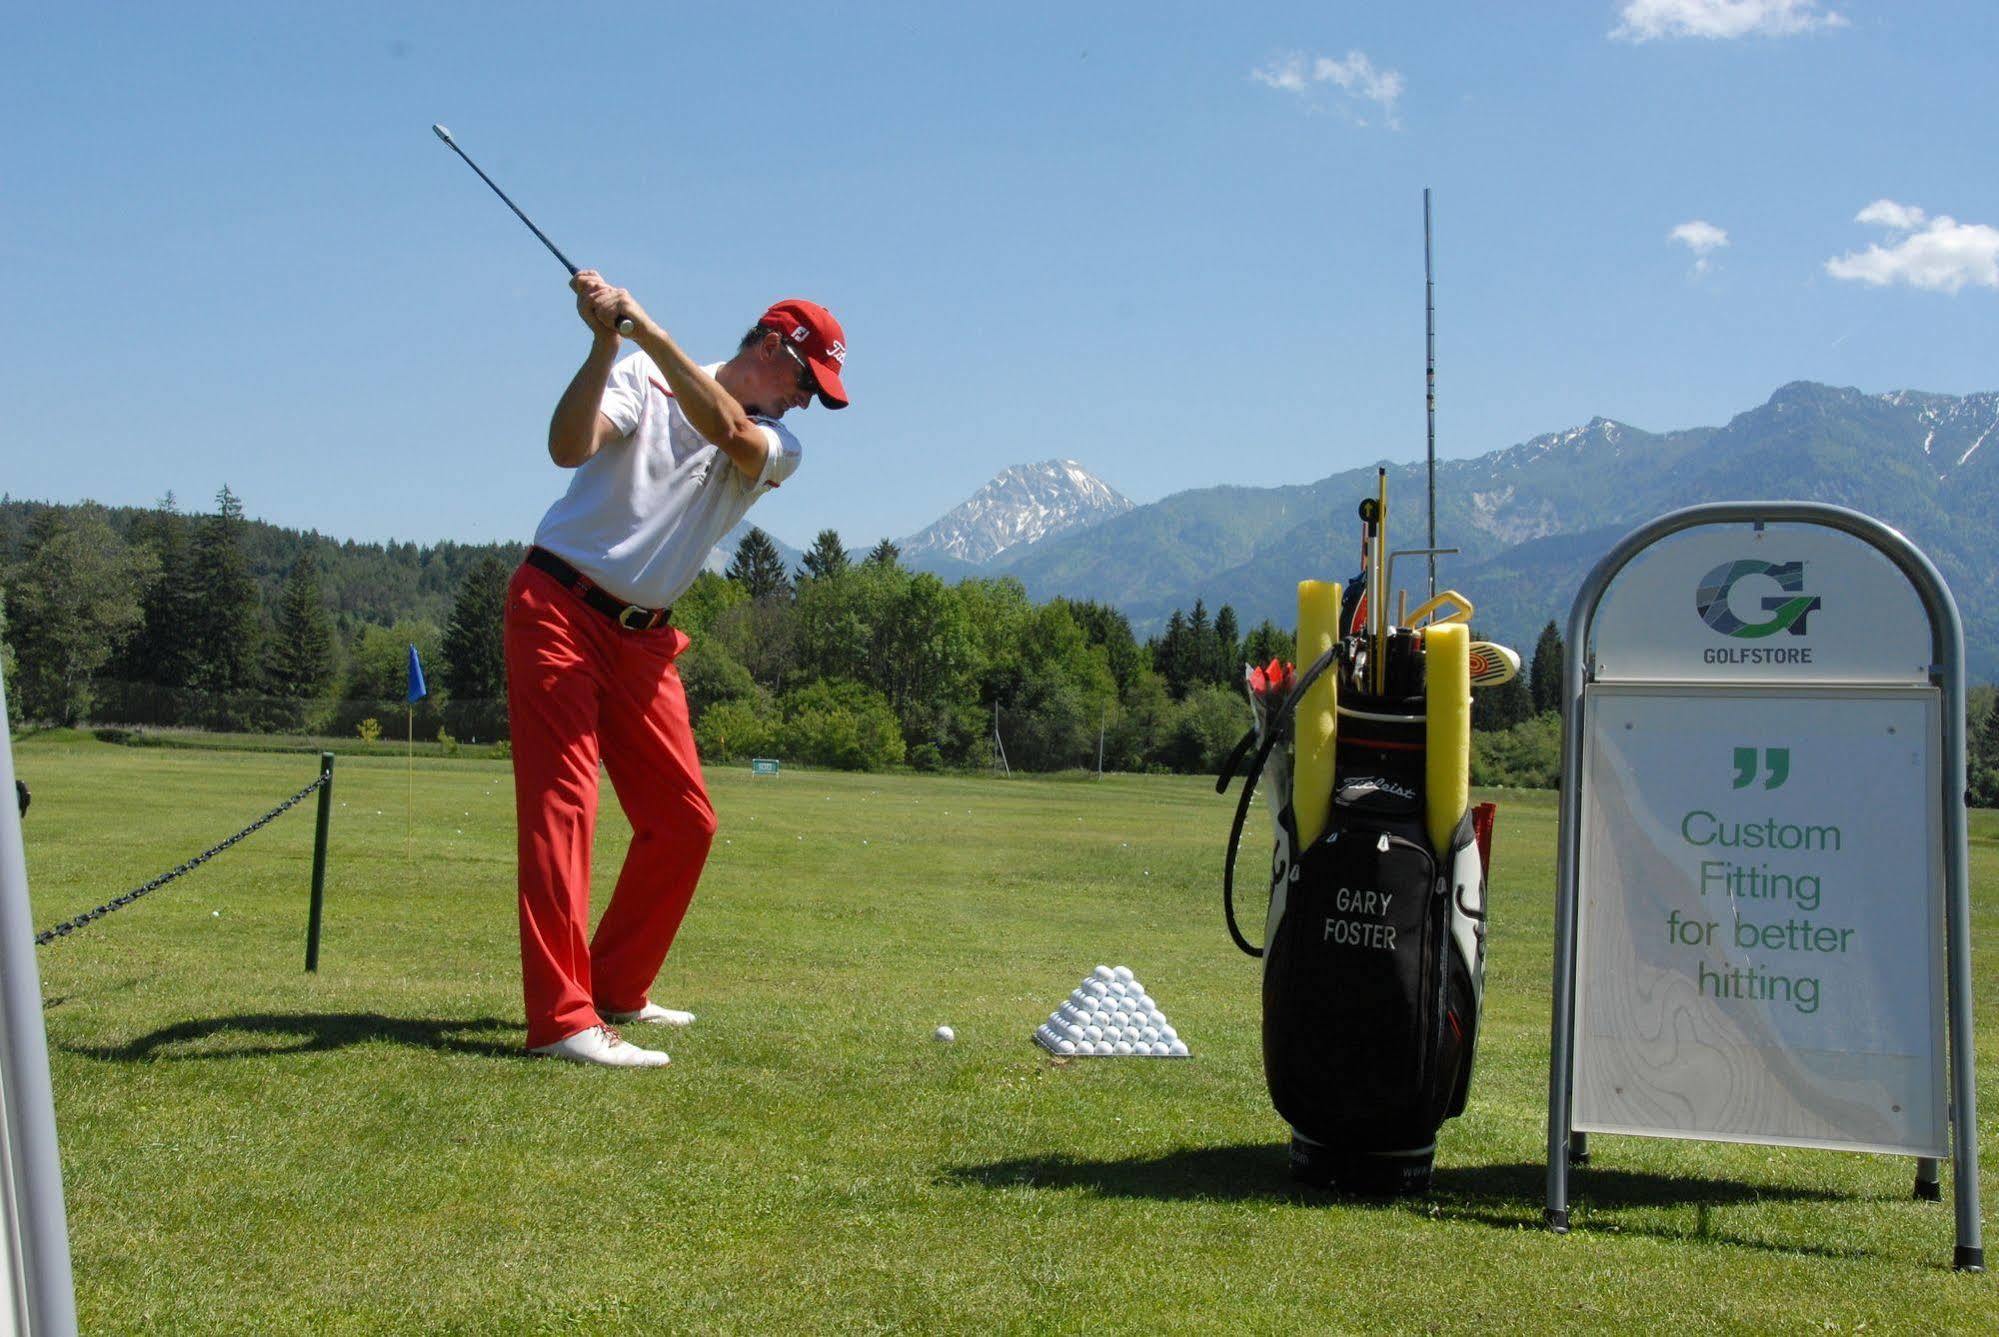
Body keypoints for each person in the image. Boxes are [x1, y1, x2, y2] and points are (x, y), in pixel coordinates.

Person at [505, 269, 849, 1068]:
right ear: (771, 346)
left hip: (643, 639)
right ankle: (562, 1019)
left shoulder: (777, 445)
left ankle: (616, 985)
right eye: (807, 380)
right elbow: (565, 449)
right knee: (564, 809)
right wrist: (604, 346)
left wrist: (647, 330)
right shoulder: (637, 373)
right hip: (556, 605)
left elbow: (728, 430)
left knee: (684, 820)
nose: (806, 402)